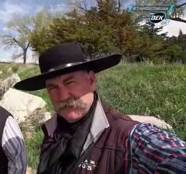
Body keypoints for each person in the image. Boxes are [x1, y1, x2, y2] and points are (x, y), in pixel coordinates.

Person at [14, 42, 186, 174]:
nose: (63, 96)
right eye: (53, 88)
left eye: (70, 82)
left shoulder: (128, 137)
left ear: (91, 80)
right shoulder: (52, 131)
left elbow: (172, 156)